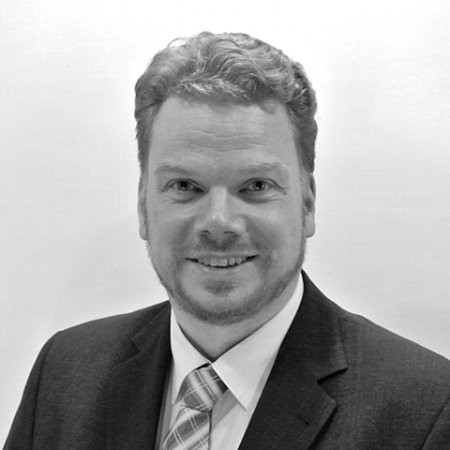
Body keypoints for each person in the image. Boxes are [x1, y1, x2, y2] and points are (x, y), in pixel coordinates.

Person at [5, 31, 450, 450]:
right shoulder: (64, 372)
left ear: (307, 204)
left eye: (256, 186)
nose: (219, 222)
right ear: (143, 206)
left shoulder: (427, 412)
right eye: (185, 186)